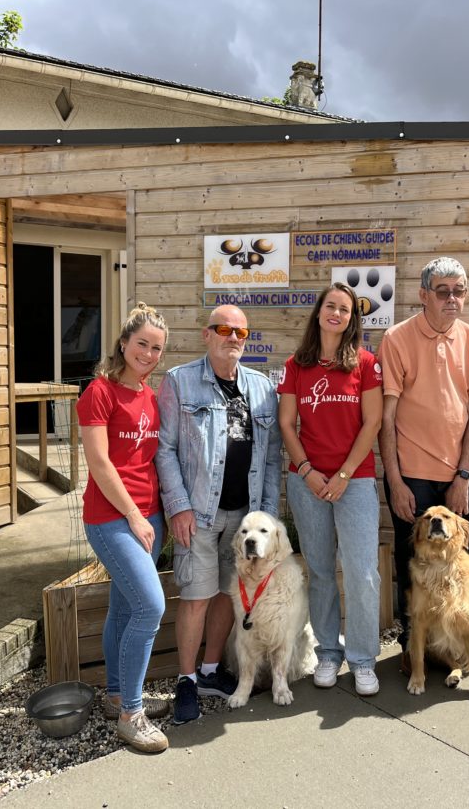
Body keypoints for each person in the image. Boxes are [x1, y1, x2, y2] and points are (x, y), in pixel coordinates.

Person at [378, 257, 469, 675]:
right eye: (443, 291)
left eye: (459, 291)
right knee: (413, 560)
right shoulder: (397, 339)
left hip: (464, 471)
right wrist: (396, 482)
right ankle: (412, 644)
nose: (453, 299)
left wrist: (463, 475)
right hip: (412, 474)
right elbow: (386, 421)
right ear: (423, 295)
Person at [156, 304, 283, 723]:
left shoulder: (262, 388)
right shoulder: (179, 381)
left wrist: (265, 518)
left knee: (230, 595)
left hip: (244, 519)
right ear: (206, 335)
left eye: (241, 333)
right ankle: (188, 680)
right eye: (224, 329)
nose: (233, 338)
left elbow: (269, 460)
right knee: (195, 598)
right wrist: (178, 507)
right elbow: (165, 450)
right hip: (199, 514)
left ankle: (211, 671)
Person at [277, 283, 384, 696]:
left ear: (351, 319)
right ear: (319, 313)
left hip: (353, 480)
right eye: (330, 306)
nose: (336, 314)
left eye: (344, 309)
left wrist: (342, 475)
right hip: (308, 482)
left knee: (361, 573)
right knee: (320, 572)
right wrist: (307, 471)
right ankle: (327, 652)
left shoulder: (366, 363)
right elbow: (287, 424)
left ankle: (362, 659)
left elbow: (372, 422)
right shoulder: (295, 365)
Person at [76, 303, 171, 754]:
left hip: (150, 517)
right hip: (112, 518)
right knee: (150, 608)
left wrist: (156, 515)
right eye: (142, 344)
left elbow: (151, 459)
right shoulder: (99, 391)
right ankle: (132, 715)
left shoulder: (151, 396)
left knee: (124, 607)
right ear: (123, 343)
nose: (149, 354)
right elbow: (99, 462)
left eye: (156, 348)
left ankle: (116, 695)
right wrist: (133, 514)